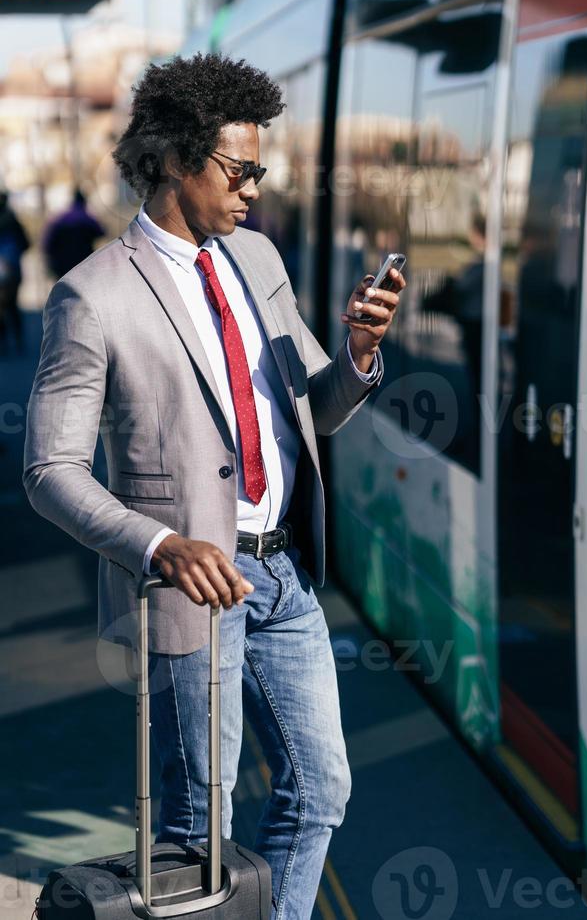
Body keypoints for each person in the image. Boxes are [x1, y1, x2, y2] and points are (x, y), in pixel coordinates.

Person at [23, 51, 406, 920]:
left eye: (259, 171)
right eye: (240, 171)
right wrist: (161, 546)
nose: (254, 191)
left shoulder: (258, 258)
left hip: (285, 579)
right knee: (200, 825)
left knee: (322, 790)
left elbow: (319, 409)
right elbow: (48, 470)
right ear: (172, 160)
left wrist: (360, 351)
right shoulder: (93, 297)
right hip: (191, 588)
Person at [42, 188, 105, 279]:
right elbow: (102, 233)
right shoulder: (88, 219)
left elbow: (48, 244)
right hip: (82, 264)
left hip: (62, 265)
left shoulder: (61, 219)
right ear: (84, 202)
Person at [0, 190, 29, 353]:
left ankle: (3, 342)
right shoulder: (13, 221)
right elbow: (26, 243)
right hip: (12, 269)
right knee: (12, 305)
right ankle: (18, 340)